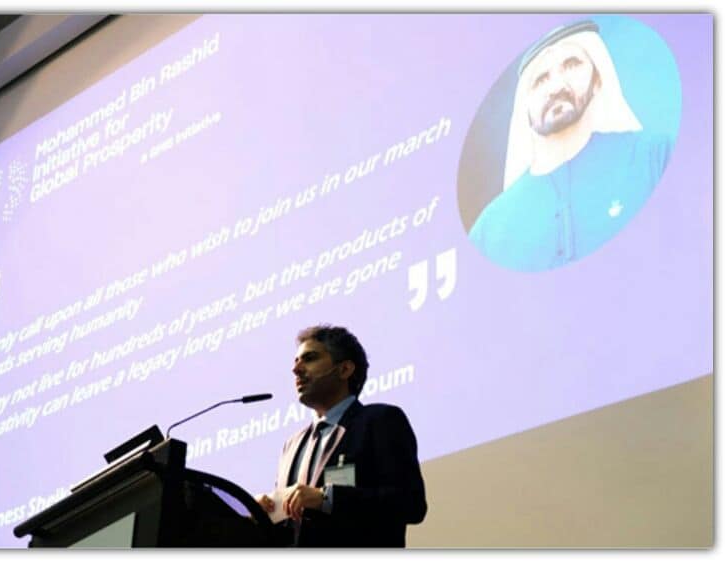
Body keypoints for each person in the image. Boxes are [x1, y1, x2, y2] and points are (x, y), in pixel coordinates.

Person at [469, 20, 673, 272]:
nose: (556, 87)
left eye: (571, 65)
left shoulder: (653, 157)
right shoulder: (489, 231)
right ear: (524, 108)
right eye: (540, 80)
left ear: (598, 80)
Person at [256, 325, 426, 547]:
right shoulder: (292, 444)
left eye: (310, 358)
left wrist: (327, 498)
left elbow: (410, 503)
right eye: (296, 361)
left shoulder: (380, 420)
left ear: (344, 369)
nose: (296, 369)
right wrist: (262, 515)